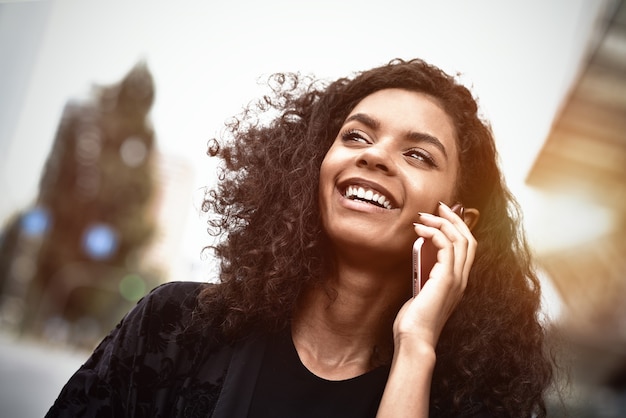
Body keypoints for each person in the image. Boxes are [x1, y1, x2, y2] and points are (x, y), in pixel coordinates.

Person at [46, 58, 554, 417]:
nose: (374, 155)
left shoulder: (465, 403)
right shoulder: (175, 327)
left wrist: (417, 347)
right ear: (312, 167)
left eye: (418, 154)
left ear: (457, 220)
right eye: (356, 135)